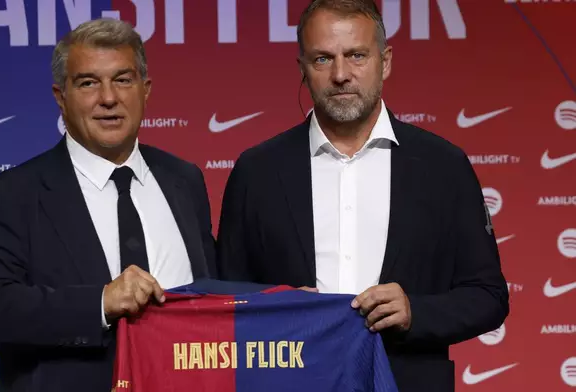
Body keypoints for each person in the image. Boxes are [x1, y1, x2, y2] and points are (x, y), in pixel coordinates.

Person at [216, 1, 509, 391]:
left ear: (385, 62)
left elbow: (488, 297)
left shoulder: (443, 166)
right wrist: (277, 308)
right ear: (302, 68)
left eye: (356, 55)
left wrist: (414, 311)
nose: (340, 74)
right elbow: (223, 300)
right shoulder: (257, 171)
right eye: (322, 59)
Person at [0, 18, 216, 392]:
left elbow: (215, 294)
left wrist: (285, 302)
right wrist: (100, 302)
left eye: (123, 79)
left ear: (145, 90)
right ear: (60, 97)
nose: (108, 98)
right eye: (88, 83)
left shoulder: (185, 179)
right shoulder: (8, 197)